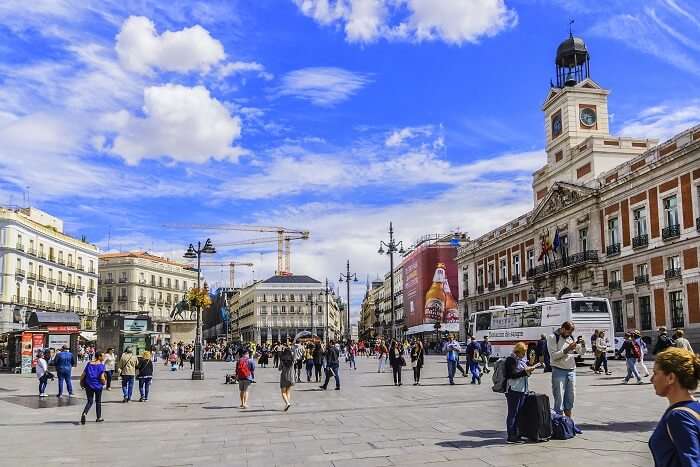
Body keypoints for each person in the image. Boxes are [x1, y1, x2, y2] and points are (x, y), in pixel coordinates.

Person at [648, 347, 700, 466]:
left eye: (656, 373)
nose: (651, 379)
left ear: (670, 378)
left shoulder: (678, 417)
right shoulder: (695, 407)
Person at [547, 321, 582, 418]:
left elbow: (581, 352)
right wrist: (567, 349)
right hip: (559, 370)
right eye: (569, 332)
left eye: (571, 332)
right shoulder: (553, 337)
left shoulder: (570, 337)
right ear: (562, 329)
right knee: (559, 399)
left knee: (570, 398)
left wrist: (582, 346)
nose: (570, 334)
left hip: (571, 370)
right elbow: (553, 356)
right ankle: (559, 423)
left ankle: (568, 423)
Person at [504, 342, 538, 444]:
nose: (524, 355)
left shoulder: (521, 360)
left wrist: (530, 368)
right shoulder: (511, 360)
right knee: (513, 413)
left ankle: (517, 434)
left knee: (519, 413)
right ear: (517, 351)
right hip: (513, 389)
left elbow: (524, 374)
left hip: (522, 389)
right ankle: (511, 436)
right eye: (523, 353)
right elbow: (511, 374)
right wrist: (525, 372)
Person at [80, 351, 106, 424]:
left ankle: (84, 413)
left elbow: (83, 374)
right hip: (98, 386)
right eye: (102, 356)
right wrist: (104, 383)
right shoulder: (101, 366)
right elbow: (102, 377)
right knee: (98, 401)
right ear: (99, 357)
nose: (104, 357)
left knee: (90, 401)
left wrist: (81, 382)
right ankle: (98, 417)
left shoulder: (89, 364)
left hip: (89, 385)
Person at [279, 341, 295, 411]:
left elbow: (279, 369)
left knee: (283, 392)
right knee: (288, 391)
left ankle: (287, 403)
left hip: (284, 377)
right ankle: (287, 404)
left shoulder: (282, 360)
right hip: (291, 377)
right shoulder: (292, 360)